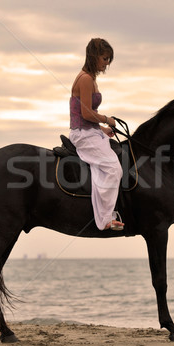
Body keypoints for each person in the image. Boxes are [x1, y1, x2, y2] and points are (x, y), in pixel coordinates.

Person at [69, 38, 124, 231]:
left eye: (109, 59)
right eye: (104, 58)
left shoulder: (90, 78)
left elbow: (84, 115)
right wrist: (106, 119)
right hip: (82, 135)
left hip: (90, 131)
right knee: (113, 169)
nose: (107, 63)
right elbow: (85, 113)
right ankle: (106, 219)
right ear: (94, 56)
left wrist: (102, 130)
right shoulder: (85, 79)